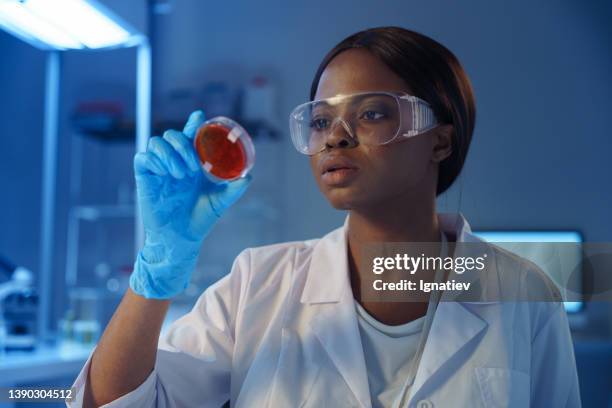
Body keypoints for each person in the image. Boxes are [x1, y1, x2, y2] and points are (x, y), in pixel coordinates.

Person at [70, 27, 581, 407]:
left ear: (440, 140)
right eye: (319, 120)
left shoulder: (525, 293)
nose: (335, 136)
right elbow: (112, 403)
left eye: (372, 113)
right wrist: (156, 272)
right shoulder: (258, 283)